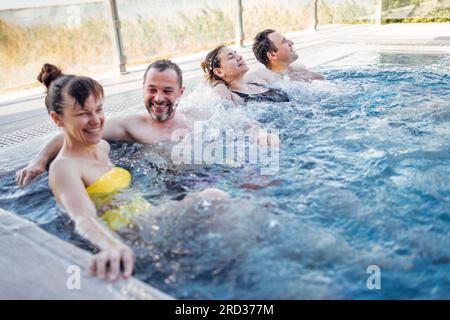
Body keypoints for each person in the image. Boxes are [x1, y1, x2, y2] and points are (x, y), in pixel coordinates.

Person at [35, 63, 228, 282]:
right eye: (83, 114)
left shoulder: (101, 148)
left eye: (98, 110)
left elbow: (70, 137)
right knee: (215, 198)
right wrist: (112, 246)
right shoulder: (65, 168)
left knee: (218, 200)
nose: (96, 120)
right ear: (57, 119)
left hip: (148, 219)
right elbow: (82, 217)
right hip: (132, 236)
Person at [16, 59, 279, 186]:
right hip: (174, 186)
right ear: (142, 89)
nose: (158, 98)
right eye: (152, 89)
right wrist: (37, 162)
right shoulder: (131, 124)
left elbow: (236, 120)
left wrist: (258, 131)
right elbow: (70, 135)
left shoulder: (196, 113)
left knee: (263, 183)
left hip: (215, 171)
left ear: (180, 93)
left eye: (167, 91)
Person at [201, 45, 290, 105]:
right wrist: (217, 84)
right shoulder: (233, 98)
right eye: (231, 57)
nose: (239, 56)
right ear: (219, 72)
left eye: (236, 53)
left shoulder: (256, 80)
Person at [251, 29, 325, 83]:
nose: (291, 42)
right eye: (284, 42)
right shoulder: (273, 81)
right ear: (272, 54)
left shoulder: (298, 68)